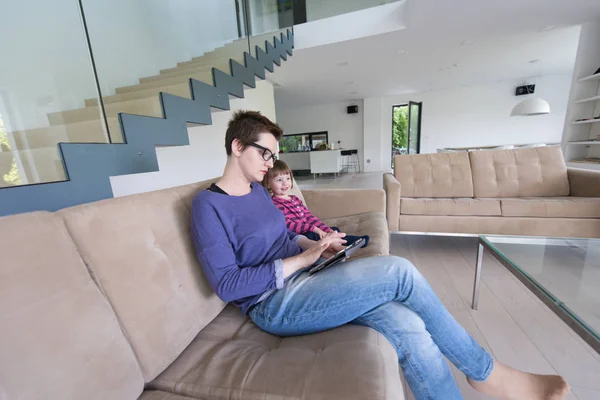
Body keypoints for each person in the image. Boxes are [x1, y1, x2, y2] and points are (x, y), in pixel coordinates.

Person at [190, 110, 569, 400]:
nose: (270, 164)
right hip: (273, 304)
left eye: (273, 156)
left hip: (308, 278)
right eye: (264, 153)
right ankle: (487, 373)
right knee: (399, 272)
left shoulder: (258, 191)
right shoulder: (208, 205)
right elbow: (226, 284)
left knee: (408, 325)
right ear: (237, 146)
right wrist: (300, 262)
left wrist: (317, 246)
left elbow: (284, 235)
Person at [262, 159, 369, 247]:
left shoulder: (294, 199)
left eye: (288, 178)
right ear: (268, 183)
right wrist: (314, 229)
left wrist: (326, 230)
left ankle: (336, 240)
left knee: (333, 230)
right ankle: (349, 242)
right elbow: (289, 225)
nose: (285, 183)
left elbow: (309, 217)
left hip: (311, 230)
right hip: (301, 237)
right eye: (279, 180)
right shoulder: (274, 204)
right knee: (314, 235)